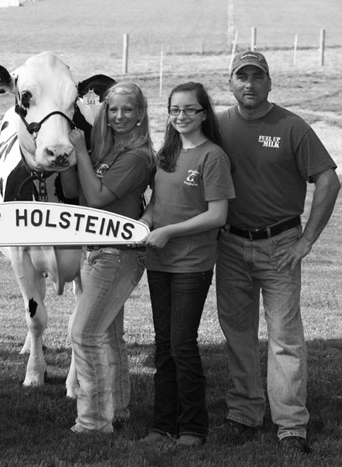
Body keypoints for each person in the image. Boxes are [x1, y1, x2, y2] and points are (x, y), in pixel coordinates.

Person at [216, 51, 340, 454]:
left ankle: (290, 426)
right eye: (241, 77)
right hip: (230, 245)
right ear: (230, 83)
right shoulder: (218, 126)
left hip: (281, 246)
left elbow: (328, 180)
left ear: (269, 83)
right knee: (238, 335)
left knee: (285, 338)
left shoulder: (291, 126)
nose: (249, 84)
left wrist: (306, 242)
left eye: (257, 77)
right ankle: (244, 413)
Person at [138, 82, 234, 447]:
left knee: (182, 343)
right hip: (158, 261)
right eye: (174, 109)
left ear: (204, 113)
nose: (181, 116)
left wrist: (170, 232)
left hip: (192, 264)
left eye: (189, 110)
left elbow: (217, 214)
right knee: (163, 345)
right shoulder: (167, 153)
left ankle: (193, 427)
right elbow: (156, 203)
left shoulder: (213, 157)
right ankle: (162, 425)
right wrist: (146, 222)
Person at [61, 82, 154, 433]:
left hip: (117, 255)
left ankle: (94, 420)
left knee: (84, 333)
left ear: (141, 114)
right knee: (108, 335)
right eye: (112, 109)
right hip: (95, 251)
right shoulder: (108, 149)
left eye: (128, 109)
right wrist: (68, 157)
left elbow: (97, 197)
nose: (118, 116)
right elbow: (74, 191)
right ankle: (118, 409)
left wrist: (82, 153)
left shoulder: (137, 155)